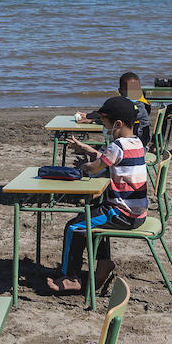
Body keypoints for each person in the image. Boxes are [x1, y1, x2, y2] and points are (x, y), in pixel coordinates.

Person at [47, 96, 148, 294]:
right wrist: (85, 148)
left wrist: (83, 165)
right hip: (136, 211)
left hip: (123, 213)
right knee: (92, 216)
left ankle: (70, 277)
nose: (104, 128)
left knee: (74, 226)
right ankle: (103, 263)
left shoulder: (117, 146)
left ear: (117, 124)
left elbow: (95, 168)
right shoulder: (135, 143)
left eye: (104, 123)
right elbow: (107, 159)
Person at [80, 72, 152, 146]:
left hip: (138, 144)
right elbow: (109, 111)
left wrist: (93, 119)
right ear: (120, 91)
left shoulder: (139, 106)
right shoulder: (131, 103)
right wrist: (90, 116)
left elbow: (116, 116)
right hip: (131, 141)